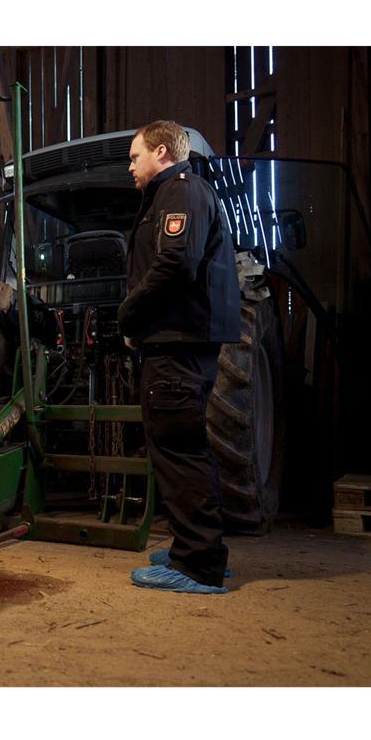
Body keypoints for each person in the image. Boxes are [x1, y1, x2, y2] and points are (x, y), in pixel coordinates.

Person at [118, 121, 240, 594]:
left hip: (179, 344)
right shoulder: (173, 194)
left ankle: (198, 565)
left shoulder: (181, 191)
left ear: (162, 152)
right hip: (175, 340)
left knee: (178, 449)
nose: (130, 166)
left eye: (135, 157)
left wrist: (128, 314)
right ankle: (196, 547)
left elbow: (175, 264)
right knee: (177, 446)